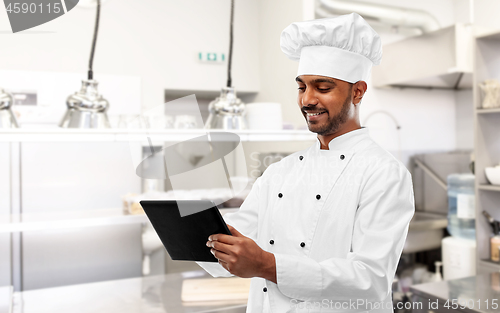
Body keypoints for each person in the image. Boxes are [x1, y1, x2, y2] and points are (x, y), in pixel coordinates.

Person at [197, 12, 415, 313]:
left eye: (322, 88)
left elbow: (371, 279)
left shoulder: (383, 173)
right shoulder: (279, 172)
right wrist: (192, 233)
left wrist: (265, 264)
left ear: (358, 91)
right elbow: (236, 241)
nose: (307, 100)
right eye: (302, 87)